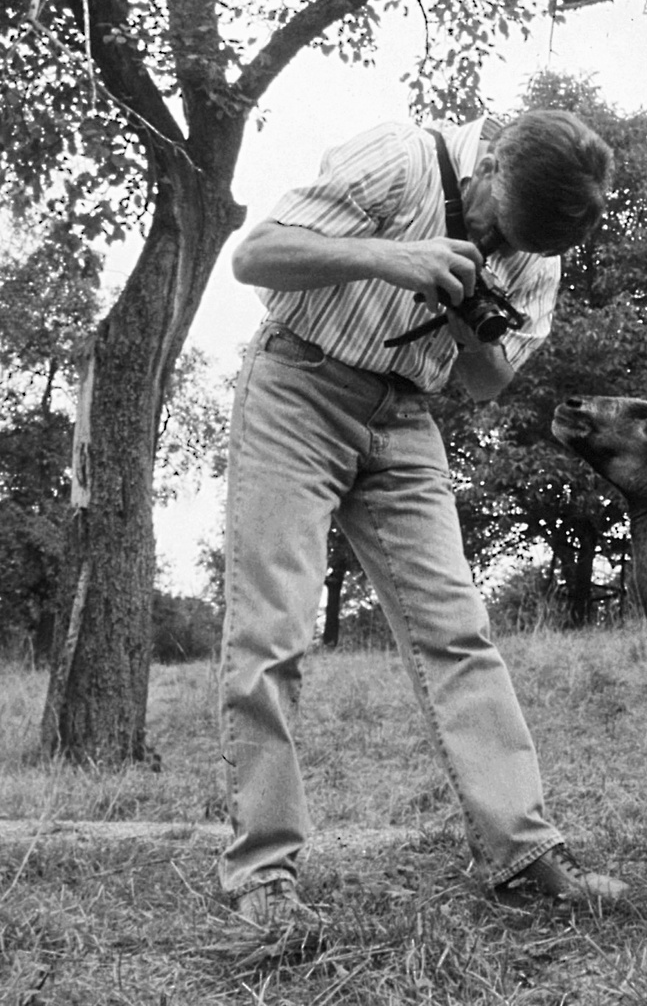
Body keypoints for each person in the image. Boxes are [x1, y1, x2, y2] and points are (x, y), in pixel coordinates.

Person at [219, 108, 625, 927]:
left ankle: (522, 851)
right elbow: (254, 256)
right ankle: (262, 873)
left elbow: (486, 383)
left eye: (524, 248)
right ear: (496, 163)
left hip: (404, 417)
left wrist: (467, 317)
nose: (506, 250)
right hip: (297, 386)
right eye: (501, 229)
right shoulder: (395, 161)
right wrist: (396, 258)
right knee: (274, 630)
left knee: (458, 630)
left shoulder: (535, 257)